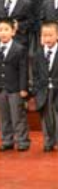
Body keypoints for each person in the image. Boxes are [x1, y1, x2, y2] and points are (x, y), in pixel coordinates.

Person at [0, 18, 30, 152]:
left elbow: (23, 69)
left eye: (6, 30)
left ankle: (22, 141)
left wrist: (24, 88)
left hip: (15, 88)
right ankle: (7, 140)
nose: (3, 33)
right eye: (0, 30)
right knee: (3, 116)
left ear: (13, 32)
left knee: (18, 115)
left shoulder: (19, 49)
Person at [32, 21, 58, 152]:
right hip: (43, 90)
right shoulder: (37, 54)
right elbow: (35, 74)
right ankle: (48, 141)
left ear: (57, 36)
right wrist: (36, 90)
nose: (47, 38)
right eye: (44, 35)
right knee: (46, 116)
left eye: (50, 35)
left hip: (56, 90)